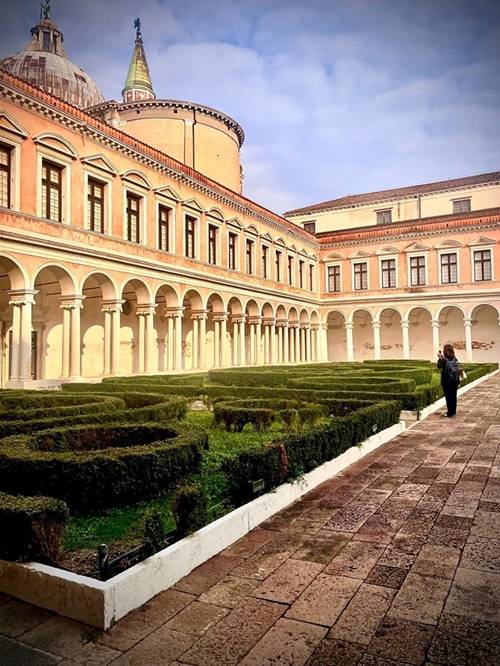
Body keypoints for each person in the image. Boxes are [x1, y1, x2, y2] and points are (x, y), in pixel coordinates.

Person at [437, 344, 461, 417]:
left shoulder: (444, 360)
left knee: (448, 397)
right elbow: (458, 369)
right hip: (455, 380)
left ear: (445, 351)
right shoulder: (455, 358)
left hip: (447, 381)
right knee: (454, 396)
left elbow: (439, 366)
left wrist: (440, 358)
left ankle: (449, 412)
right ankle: (453, 411)